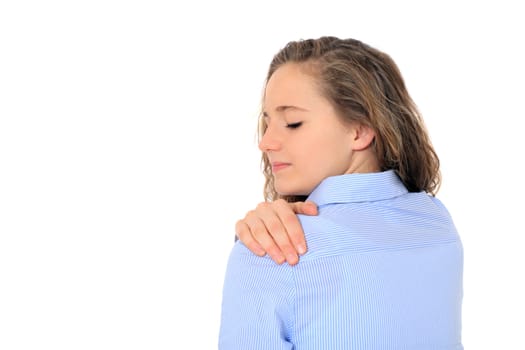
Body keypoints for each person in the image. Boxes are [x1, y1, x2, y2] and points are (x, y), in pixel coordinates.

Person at [219, 36, 463, 349]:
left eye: (293, 123)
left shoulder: (273, 252)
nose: (266, 142)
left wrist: (254, 248)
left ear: (359, 130)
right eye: (268, 123)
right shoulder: (437, 222)